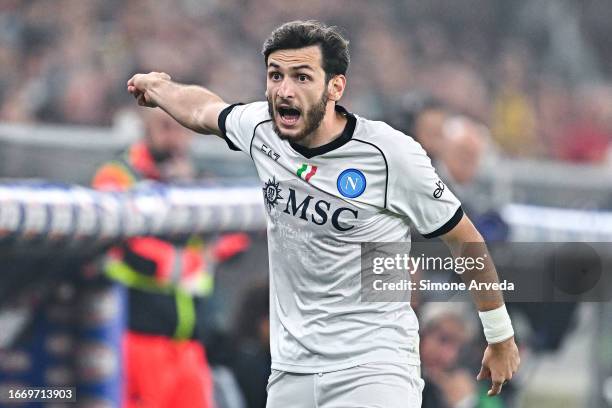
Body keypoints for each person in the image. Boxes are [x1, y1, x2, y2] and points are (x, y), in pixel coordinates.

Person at [125, 20, 520, 408]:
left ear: (335, 86)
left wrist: (499, 335)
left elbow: (464, 239)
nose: (284, 90)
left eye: (301, 77)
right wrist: (160, 89)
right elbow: (204, 110)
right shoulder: (263, 129)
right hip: (291, 371)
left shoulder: (389, 155)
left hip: (373, 370)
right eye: (275, 75)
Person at [92, 108, 216, 408]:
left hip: (188, 340)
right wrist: (189, 260)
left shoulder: (196, 179)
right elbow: (127, 249)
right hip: (137, 336)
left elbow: (233, 239)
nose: (175, 138)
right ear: (145, 127)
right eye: (165, 127)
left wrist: (187, 190)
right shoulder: (118, 175)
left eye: (182, 129)